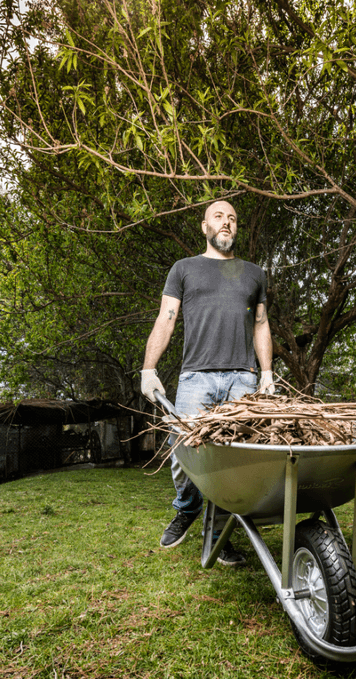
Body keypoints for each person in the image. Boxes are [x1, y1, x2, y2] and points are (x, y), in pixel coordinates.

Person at [140, 199, 274, 565]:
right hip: (196, 375)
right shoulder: (184, 269)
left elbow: (261, 324)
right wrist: (148, 368)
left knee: (235, 462)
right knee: (183, 451)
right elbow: (166, 318)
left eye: (232, 218)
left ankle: (219, 535)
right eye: (219, 217)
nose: (226, 222)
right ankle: (187, 507)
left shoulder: (254, 274)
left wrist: (266, 373)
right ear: (205, 227)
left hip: (242, 379)